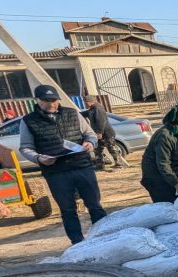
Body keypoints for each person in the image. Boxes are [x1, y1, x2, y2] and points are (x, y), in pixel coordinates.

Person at [19, 85, 107, 244]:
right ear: (37, 100)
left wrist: (89, 143)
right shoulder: (29, 121)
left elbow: (90, 134)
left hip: (81, 165)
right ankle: (77, 243)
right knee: (67, 209)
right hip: (56, 172)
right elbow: (25, 147)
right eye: (46, 101)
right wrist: (39, 158)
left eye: (54, 100)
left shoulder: (72, 114)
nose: (52, 104)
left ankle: (105, 238)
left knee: (94, 205)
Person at [139, 103, 178, 213]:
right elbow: (163, 163)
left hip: (174, 169)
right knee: (170, 208)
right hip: (156, 175)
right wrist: (176, 184)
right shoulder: (164, 136)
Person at [85, 95, 129, 170]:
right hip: (99, 134)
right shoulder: (92, 109)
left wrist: (99, 132)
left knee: (112, 149)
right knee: (97, 150)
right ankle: (100, 166)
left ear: (90, 102)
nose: (85, 104)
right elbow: (85, 113)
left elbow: (101, 122)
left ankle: (119, 165)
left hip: (106, 133)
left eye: (85, 102)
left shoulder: (98, 109)